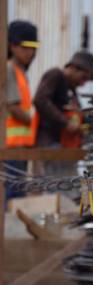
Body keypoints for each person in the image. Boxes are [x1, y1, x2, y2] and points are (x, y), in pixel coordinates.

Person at [33, 50, 93, 149]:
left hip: (63, 146)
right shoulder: (55, 75)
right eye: (83, 77)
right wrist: (66, 122)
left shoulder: (71, 89)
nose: (83, 83)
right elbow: (40, 100)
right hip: (49, 144)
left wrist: (91, 124)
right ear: (73, 68)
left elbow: (78, 115)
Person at [4, 20, 39, 201]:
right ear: (13, 46)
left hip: (21, 145)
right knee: (12, 193)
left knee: (17, 191)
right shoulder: (9, 70)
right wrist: (32, 120)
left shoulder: (21, 72)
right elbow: (12, 106)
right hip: (11, 145)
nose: (30, 52)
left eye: (33, 48)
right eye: (25, 47)